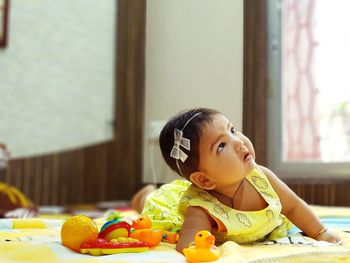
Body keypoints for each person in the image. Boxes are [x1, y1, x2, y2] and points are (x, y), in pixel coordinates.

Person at [131, 108, 340, 253]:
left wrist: (320, 232)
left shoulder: (262, 178)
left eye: (232, 130)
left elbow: (293, 207)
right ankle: (144, 194)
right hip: (174, 205)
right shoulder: (201, 208)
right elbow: (188, 244)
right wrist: (201, 250)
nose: (239, 142)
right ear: (203, 179)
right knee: (156, 207)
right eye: (221, 146)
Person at [0, 143, 37, 218]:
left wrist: (25, 211)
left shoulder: (8, 191)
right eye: (3, 150)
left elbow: (30, 206)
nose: (9, 154)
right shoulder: (5, 191)